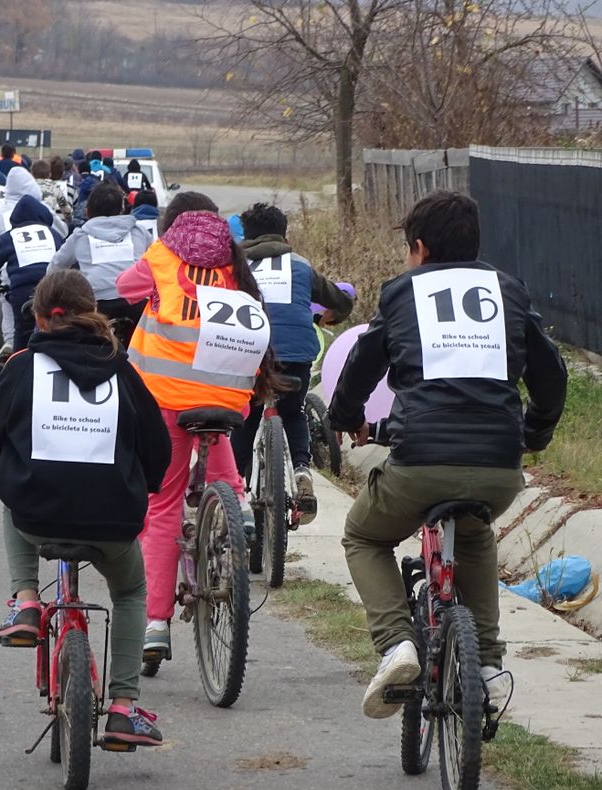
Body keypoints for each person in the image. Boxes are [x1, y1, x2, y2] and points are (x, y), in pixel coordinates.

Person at [327, 191, 567, 719]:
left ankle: (396, 645)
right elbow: (551, 375)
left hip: (419, 464)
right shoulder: (508, 291)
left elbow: (363, 365)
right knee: (475, 531)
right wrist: (535, 434)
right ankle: (487, 666)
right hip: (499, 467)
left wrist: (345, 420)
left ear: (419, 247)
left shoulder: (402, 293)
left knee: (364, 535)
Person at [0, 269, 171, 748]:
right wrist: (145, 487)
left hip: (37, 515)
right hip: (113, 519)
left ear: (39, 317)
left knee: (11, 500)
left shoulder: (21, 367)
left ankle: (26, 602)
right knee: (130, 592)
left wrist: (1, 472)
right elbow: (158, 449)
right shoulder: (124, 371)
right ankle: (123, 706)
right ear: (93, 314)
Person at [116, 199, 275, 662]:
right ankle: (236, 506)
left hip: (164, 397)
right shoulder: (235, 260)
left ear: (170, 228)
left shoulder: (163, 255)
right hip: (227, 396)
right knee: (217, 434)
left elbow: (125, 288)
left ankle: (155, 623)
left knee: (163, 506)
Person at [230, 203, 354, 524]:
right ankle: (302, 471)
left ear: (246, 233)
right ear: (284, 233)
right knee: (293, 412)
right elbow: (340, 301)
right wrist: (330, 317)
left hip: (251, 351)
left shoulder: (236, 266)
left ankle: (233, 487)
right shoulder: (300, 266)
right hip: (297, 353)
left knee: (248, 414)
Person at [49, 182, 151, 343]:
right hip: (136, 303)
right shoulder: (139, 232)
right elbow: (156, 261)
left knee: (88, 345)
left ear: (88, 211)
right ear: (122, 209)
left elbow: (55, 267)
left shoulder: (80, 235)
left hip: (97, 304)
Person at [0, 195, 65, 352]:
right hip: (52, 290)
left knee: (22, 335)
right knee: (59, 331)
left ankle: (19, 367)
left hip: (23, 291)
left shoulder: (10, 236)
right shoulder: (54, 235)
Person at [33, 158, 73, 227]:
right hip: (49, 223)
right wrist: (69, 220)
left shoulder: (29, 186)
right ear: (49, 175)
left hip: (31, 222)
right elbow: (66, 210)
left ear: (32, 174)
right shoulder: (54, 187)